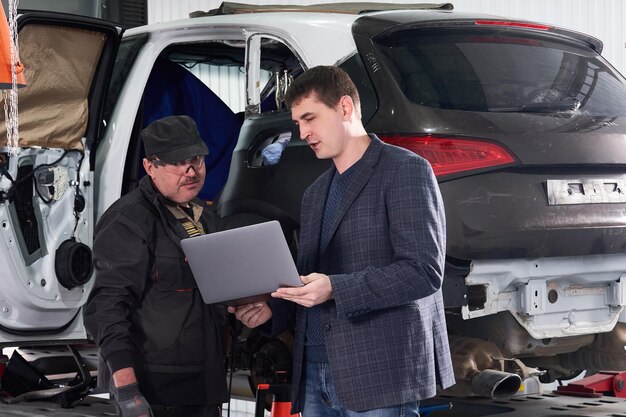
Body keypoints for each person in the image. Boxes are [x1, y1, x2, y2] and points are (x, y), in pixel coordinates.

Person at [229, 66, 455, 416]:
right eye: (298, 124)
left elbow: (423, 272)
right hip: (315, 371)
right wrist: (273, 310)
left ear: (345, 108)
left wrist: (336, 288)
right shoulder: (316, 193)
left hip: (377, 374)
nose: (303, 133)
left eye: (310, 119)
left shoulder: (405, 171)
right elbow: (309, 279)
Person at [84, 115, 228, 417]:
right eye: (179, 163)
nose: (192, 171)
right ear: (151, 167)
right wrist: (126, 389)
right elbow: (106, 306)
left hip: (203, 387)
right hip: (156, 391)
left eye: (197, 160)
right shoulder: (130, 219)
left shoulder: (207, 218)